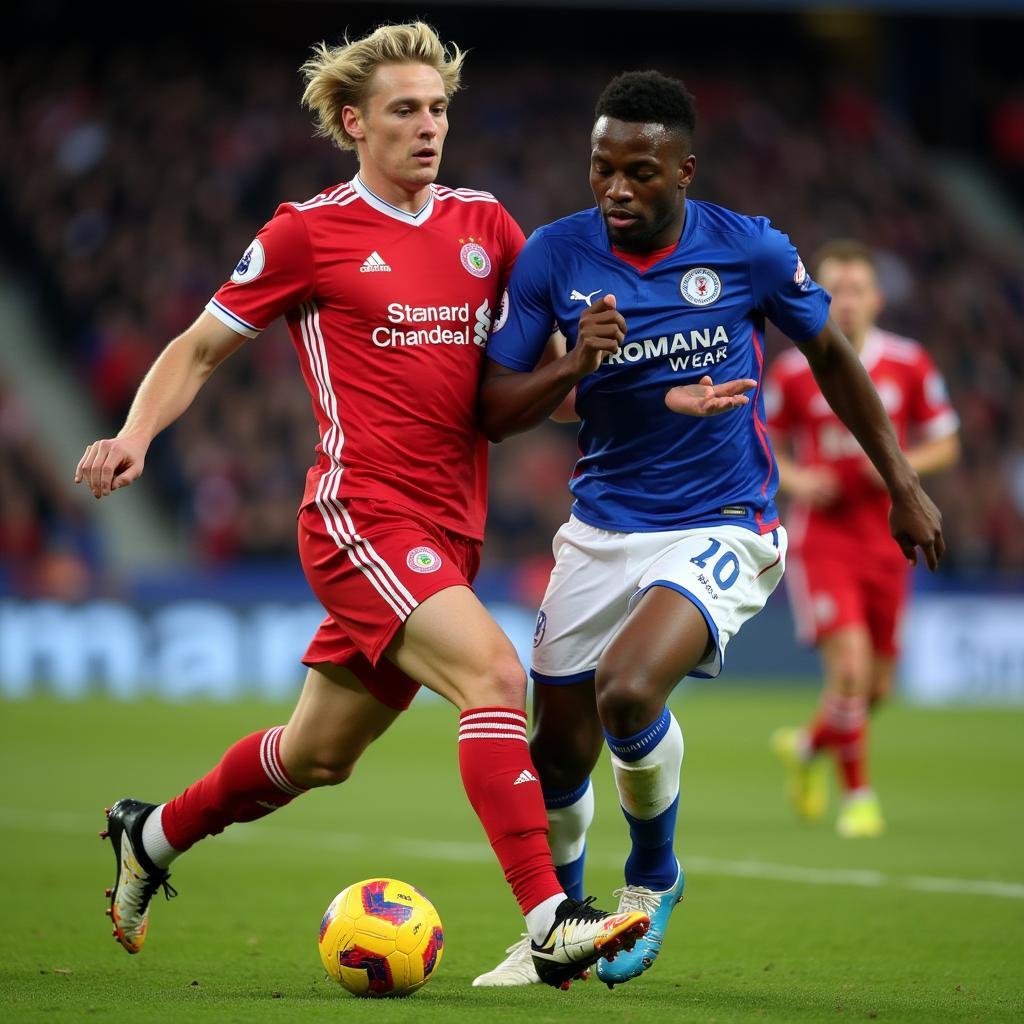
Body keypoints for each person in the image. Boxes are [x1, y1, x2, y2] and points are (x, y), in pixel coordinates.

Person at [74, 23, 648, 990]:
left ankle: (152, 834)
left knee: (315, 756)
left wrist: (646, 388)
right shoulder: (307, 232)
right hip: (359, 515)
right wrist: (136, 434)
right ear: (354, 123)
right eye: (405, 111)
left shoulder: (487, 226)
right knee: (494, 677)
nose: (429, 128)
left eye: (438, 109)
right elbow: (199, 348)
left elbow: (540, 372)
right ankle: (551, 918)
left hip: (449, 529)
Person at [470, 70, 946, 988]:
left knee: (627, 693)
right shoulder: (554, 258)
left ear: (684, 169)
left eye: (640, 172)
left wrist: (901, 484)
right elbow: (493, 409)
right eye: (602, 169)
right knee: (556, 750)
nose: (616, 188)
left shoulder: (750, 251)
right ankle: (557, 937)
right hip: (601, 525)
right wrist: (575, 364)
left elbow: (834, 358)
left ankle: (652, 878)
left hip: (723, 521)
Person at [765, 240, 959, 838]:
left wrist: (900, 466)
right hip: (825, 539)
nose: (845, 302)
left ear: (876, 298)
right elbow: (760, 439)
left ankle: (806, 747)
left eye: (856, 290)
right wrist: (798, 479)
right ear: (819, 296)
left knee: (875, 688)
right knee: (847, 669)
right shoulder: (795, 369)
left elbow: (946, 442)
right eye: (835, 291)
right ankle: (859, 798)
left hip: (888, 538)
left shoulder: (909, 362)